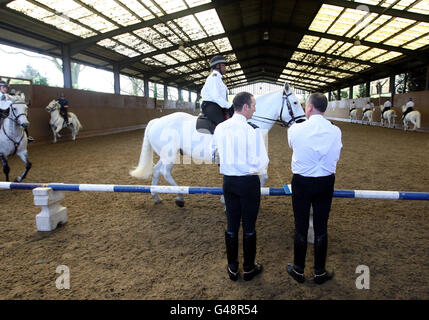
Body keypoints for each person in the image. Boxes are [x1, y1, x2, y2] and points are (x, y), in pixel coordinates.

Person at [212, 91, 269, 282]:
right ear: (245, 107)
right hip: (248, 182)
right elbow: (262, 162)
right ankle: (249, 268)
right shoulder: (252, 130)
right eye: (253, 106)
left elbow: (215, 155)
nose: (254, 110)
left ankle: (233, 267)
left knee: (231, 224)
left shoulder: (220, 128)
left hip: (228, 181)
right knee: (249, 226)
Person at [286, 92, 342, 285]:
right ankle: (319, 272)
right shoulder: (336, 130)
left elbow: (292, 146)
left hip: (302, 181)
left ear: (309, 107)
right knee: (321, 227)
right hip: (326, 182)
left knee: (300, 226)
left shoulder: (295, 129)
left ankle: (298, 269)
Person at [200, 55, 234, 129]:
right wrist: (229, 106)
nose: (225, 68)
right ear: (217, 66)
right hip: (211, 106)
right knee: (222, 127)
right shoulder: (214, 77)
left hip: (218, 105)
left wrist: (228, 107)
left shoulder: (218, 78)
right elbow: (216, 97)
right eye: (223, 66)